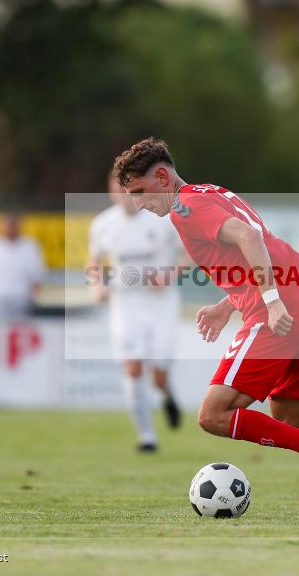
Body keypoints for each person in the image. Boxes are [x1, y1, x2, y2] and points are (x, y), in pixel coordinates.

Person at [113, 137, 299, 521]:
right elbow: (251, 248)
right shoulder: (210, 191)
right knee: (288, 418)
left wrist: (270, 301)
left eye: (139, 192)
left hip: (279, 311)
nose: (138, 203)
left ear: (160, 176)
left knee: (213, 414)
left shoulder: (186, 207)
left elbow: (250, 238)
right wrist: (226, 305)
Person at [89, 177, 184, 453]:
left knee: (158, 375)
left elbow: (188, 254)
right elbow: (94, 259)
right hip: (126, 302)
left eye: (128, 189)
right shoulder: (103, 224)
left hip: (161, 302)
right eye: (117, 189)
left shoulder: (161, 219)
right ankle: (147, 437)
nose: (123, 195)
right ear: (111, 192)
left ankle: (167, 394)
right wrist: (98, 285)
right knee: (132, 367)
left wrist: (170, 275)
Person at [0, 211, 46, 319]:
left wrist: (30, 302)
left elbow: (37, 279)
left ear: (19, 223)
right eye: (6, 221)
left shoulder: (30, 246)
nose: (10, 225)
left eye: (13, 221)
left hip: (22, 307)